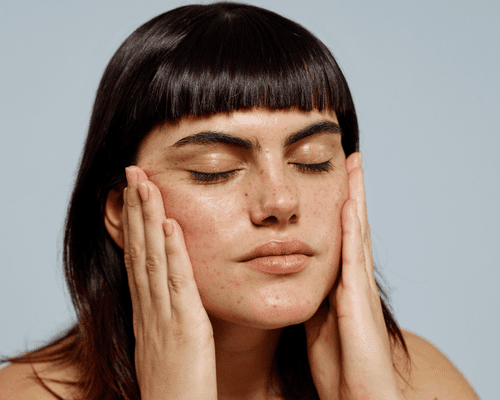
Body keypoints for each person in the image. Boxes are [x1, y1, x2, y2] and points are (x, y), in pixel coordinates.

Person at [0, 2, 480, 399]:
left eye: (312, 160)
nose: (280, 200)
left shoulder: (422, 383)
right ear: (122, 213)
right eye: (216, 169)